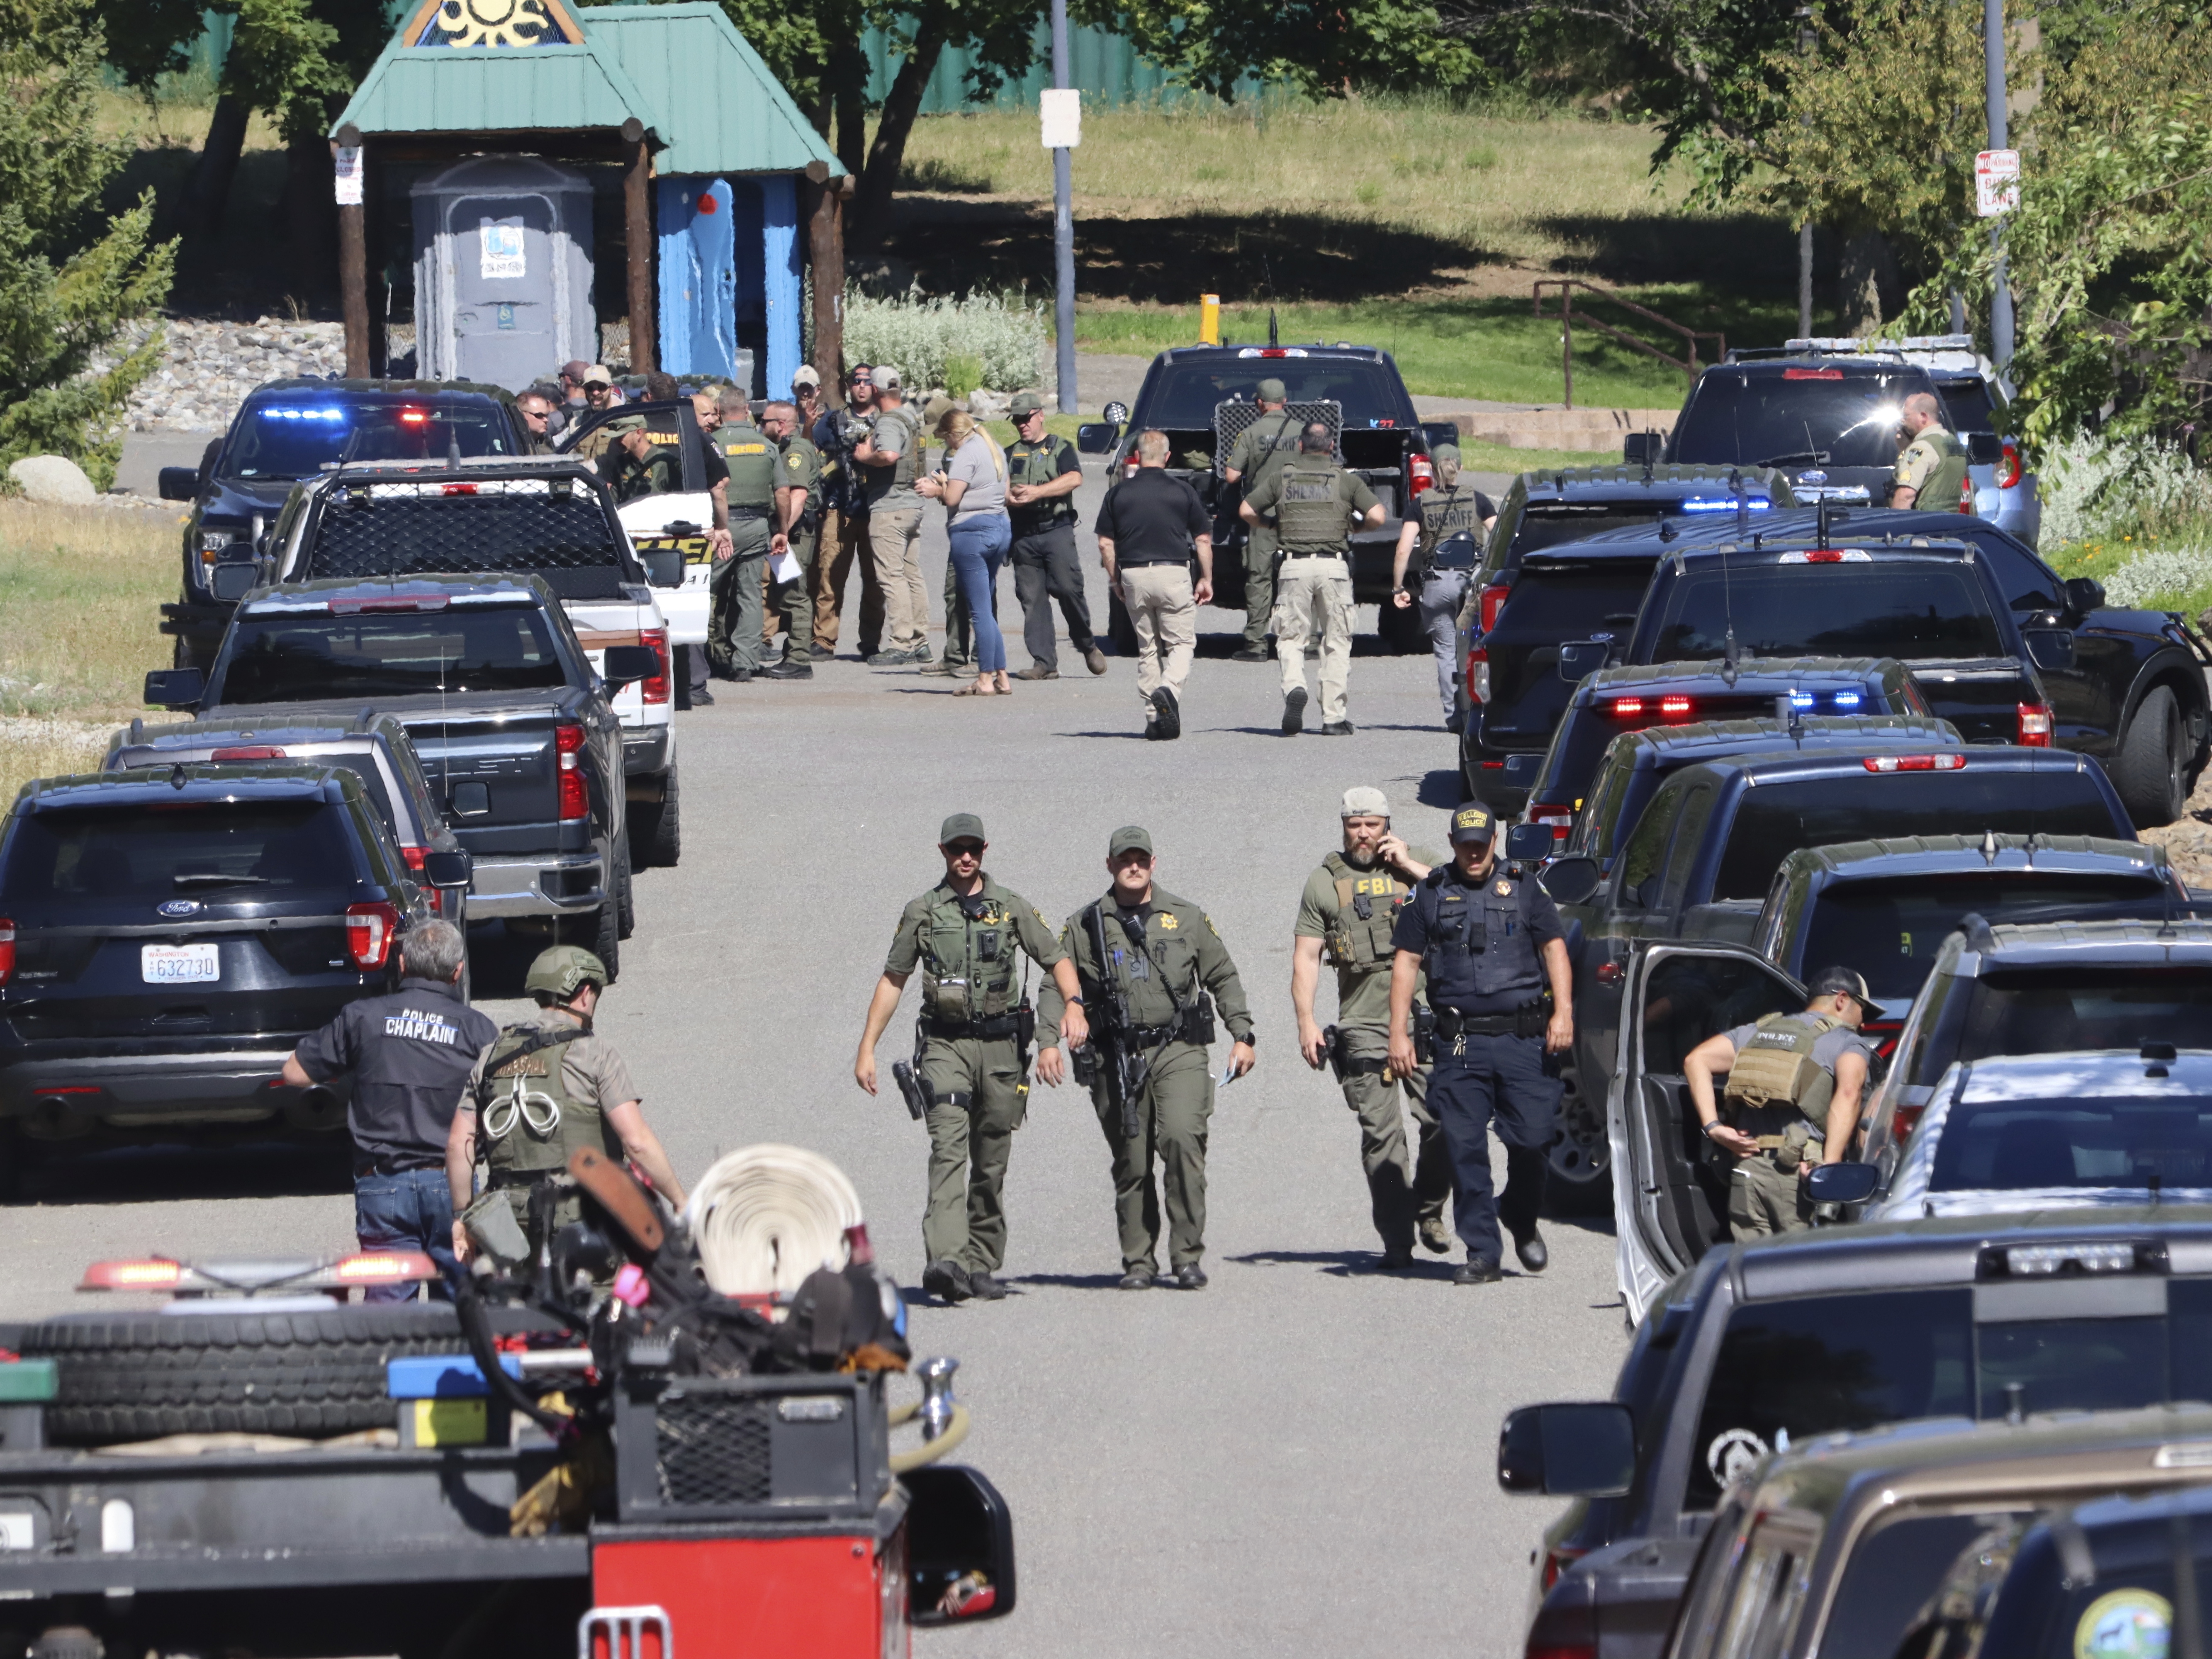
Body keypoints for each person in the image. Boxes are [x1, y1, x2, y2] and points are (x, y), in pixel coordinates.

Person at [854, 815, 1089, 1303]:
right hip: (945, 1047)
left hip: (1002, 1049)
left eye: (973, 849)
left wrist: (1073, 1004)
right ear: (942, 851)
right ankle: (946, 1260)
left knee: (990, 1157)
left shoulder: (1010, 907)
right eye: (956, 849)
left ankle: (981, 1262)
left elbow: (1057, 957)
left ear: (984, 850)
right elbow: (893, 979)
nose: (965, 858)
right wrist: (867, 1048)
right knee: (947, 1149)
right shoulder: (922, 911)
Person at [1038, 827, 1255, 1289]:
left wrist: (1243, 1033)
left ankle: (1186, 1255)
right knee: (1131, 1160)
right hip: (1116, 1054)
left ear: (1153, 863)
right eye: (1124, 859)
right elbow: (1054, 982)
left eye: (1140, 859)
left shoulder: (1186, 916)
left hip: (1178, 1050)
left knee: (1181, 1140)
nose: (1132, 866)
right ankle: (1138, 1260)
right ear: (1110, 865)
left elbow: (1222, 975)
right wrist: (1048, 1041)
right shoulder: (1085, 924)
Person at [1387, 804, 1573, 1284]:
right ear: (1451, 844)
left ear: (1494, 841)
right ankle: (1482, 1252)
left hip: (1523, 1038)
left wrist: (1563, 1012)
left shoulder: (1525, 885)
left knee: (1533, 1139)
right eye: (1465, 843)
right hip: (1460, 1041)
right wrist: (1396, 1033)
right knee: (1464, 1147)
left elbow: (1554, 947)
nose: (1474, 851)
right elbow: (1406, 962)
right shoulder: (1427, 895)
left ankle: (1519, 1212)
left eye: (1482, 842)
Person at [281, 918, 494, 1299]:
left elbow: (294, 1072)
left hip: (382, 1186)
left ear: (401, 963)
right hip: (454, 1189)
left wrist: (358, 1073)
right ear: (458, 971)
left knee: (389, 1319)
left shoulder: (362, 1018)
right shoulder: (478, 1031)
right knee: (462, 1316)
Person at [1292, 788, 1452, 1269]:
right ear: (1343, 827)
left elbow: (1461, 897)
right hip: (1363, 1023)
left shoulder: (1420, 863)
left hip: (1424, 1015)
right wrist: (1305, 1021)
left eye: (1371, 824)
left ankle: (1427, 1208)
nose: (1363, 834)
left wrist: (1408, 867)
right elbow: (1306, 956)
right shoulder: (1324, 882)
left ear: (1387, 824)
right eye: (1354, 825)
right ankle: (1397, 1237)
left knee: (1445, 1121)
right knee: (1381, 1135)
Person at [447, 946, 687, 1266]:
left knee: (520, 1305)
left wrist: (463, 1217)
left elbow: (458, 1144)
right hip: (585, 1218)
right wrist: (679, 1200)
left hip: (509, 1222)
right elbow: (637, 1142)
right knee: (598, 1306)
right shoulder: (595, 1054)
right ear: (585, 994)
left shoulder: (491, 1056)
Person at [1682, 968, 1874, 1236]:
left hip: (1747, 1166)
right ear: (1842, 999)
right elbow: (1849, 1094)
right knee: (1796, 1267)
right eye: (1863, 1010)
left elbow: (1696, 1060)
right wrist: (1828, 1171)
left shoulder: (1759, 1031)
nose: (1863, 1023)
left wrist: (1713, 1127)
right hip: (1800, 1171)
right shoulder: (1846, 1041)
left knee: (1751, 1265)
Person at [1242, 420, 1383, 737]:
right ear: (1331, 446)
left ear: (1300, 446)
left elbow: (1246, 509)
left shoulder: (1282, 478)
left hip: (1293, 567)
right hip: (1333, 568)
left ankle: (1295, 687)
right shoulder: (1345, 480)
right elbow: (1377, 516)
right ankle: (1333, 717)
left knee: (1291, 638)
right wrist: (1353, 528)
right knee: (1336, 641)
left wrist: (1271, 526)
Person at [1093, 428, 1213, 740]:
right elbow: (1202, 539)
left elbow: (1105, 544)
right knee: (1181, 644)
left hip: (1134, 574)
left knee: (1147, 648)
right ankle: (1168, 690)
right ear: (1167, 457)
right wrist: (1206, 578)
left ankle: (1153, 719)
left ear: (1138, 457)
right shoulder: (1183, 491)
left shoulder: (1118, 493)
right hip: (1173, 573)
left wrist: (1115, 580)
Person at [1390, 443, 1496, 730]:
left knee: (1445, 652)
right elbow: (1500, 537)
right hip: (1470, 584)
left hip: (1436, 584)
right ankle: (1477, 711)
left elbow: (1403, 549)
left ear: (1433, 471)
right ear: (1459, 468)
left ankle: (1453, 718)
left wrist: (1398, 588)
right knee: (1475, 649)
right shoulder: (1478, 500)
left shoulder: (1420, 504)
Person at [1005, 392, 1106, 681]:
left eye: (1026, 419)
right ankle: (1044, 662)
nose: (1022, 425)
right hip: (1023, 535)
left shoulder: (1060, 447)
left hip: (1056, 530)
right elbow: (998, 488)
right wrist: (1012, 498)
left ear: (1040, 415)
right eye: (1017, 421)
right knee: (1031, 599)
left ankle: (1086, 645)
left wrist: (1036, 492)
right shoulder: (1010, 453)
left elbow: (1074, 478)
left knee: (1067, 589)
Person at [920, 409, 1014, 697]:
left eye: (944, 438)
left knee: (979, 612)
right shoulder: (994, 447)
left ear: (953, 434)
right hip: (1000, 528)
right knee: (986, 608)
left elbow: (952, 498)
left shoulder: (966, 454)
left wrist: (936, 487)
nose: (945, 444)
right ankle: (1001, 676)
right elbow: (1004, 491)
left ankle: (985, 678)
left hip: (972, 533)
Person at [854, 366, 932, 666]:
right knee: (912, 574)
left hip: (891, 507)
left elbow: (888, 456)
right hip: (912, 505)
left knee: (891, 576)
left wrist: (863, 457)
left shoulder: (888, 422)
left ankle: (901, 643)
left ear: (875, 390)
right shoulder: (910, 418)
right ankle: (920, 640)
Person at [1222, 377, 1301, 663]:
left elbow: (1231, 476)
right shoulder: (1303, 432)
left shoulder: (1250, 433)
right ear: (1285, 402)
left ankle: (1256, 644)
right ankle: (1310, 639)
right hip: (1299, 514)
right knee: (1303, 576)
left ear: (1259, 404)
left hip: (1262, 514)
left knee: (1259, 577)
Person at [811, 365, 884, 662]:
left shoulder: (885, 420)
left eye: (867, 382)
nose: (862, 387)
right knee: (829, 578)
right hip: (838, 509)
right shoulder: (834, 419)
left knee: (875, 581)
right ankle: (823, 640)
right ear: (849, 386)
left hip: (875, 510)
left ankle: (870, 642)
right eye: (856, 382)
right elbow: (811, 446)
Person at [707, 389, 777, 683]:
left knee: (707, 591)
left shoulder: (712, 444)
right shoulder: (766, 445)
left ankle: (701, 657)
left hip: (721, 528)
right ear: (747, 409)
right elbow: (782, 492)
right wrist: (781, 529)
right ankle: (745, 662)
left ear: (719, 412)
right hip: (758, 525)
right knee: (750, 596)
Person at [761, 399, 821, 681]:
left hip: (795, 534)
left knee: (795, 594)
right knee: (783, 593)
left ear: (781, 425)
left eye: (766, 422)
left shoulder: (796, 451)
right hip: (789, 531)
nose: (762, 426)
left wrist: (783, 532)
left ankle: (799, 659)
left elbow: (798, 495)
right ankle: (792, 652)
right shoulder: (785, 448)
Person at [1890, 392, 1970, 511]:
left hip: (1925, 524)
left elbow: (1905, 496)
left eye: (1907, 416)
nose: (1903, 420)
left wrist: (1893, 526)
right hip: (1952, 522)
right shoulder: (1952, 442)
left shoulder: (1921, 448)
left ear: (1923, 416)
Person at [516, 387, 559, 452]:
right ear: (522, 415)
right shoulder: (510, 443)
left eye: (547, 415)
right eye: (539, 416)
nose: (546, 420)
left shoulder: (548, 444)